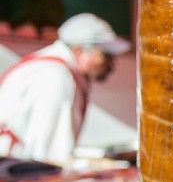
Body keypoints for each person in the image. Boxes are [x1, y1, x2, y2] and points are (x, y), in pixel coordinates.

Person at [0, 13, 131, 165]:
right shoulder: (55, 76)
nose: (112, 63)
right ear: (78, 51)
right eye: (106, 55)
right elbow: (52, 160)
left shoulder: (51, 69)